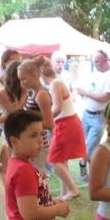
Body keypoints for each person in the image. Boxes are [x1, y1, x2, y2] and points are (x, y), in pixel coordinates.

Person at [44, 57, 87, 201]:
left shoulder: (55, 84)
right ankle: (64, 193)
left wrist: (42, 120)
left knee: (53, 160)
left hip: (67, 124)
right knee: (61, 160)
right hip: (66, 123)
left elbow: (57, 108)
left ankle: (73, 189)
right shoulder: (56, 83)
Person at [77, 49, 110, 180]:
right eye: (94, 61)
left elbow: (105, 97)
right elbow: (90, 89)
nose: (95, 64)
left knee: (89, 147)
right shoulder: (95, 72)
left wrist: (86, 93)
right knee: (84, 145)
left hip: (99, 116)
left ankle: (82, 165)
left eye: (97, 61)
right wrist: (82, 92)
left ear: (106, 60)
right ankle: (93, 173)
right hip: (86, 113)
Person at [19, 59, 54, 175]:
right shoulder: (32, 93)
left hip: (41, 141)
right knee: (35, 172)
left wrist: (27, 125)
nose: (22, 83)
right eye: (20, 79)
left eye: (24, 78)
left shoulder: (41, 95)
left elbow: (49, 123)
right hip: (35, 139)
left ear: (35, 75)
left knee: (37, 172)